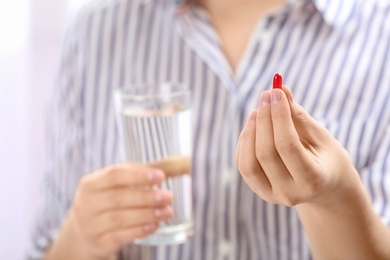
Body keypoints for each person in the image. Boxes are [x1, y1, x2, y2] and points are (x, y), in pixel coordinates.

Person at [28, 0, 390, 259]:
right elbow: (45, 247)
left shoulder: (381, 35)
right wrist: (83, 237)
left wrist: (333, 198)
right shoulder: (93, 33)